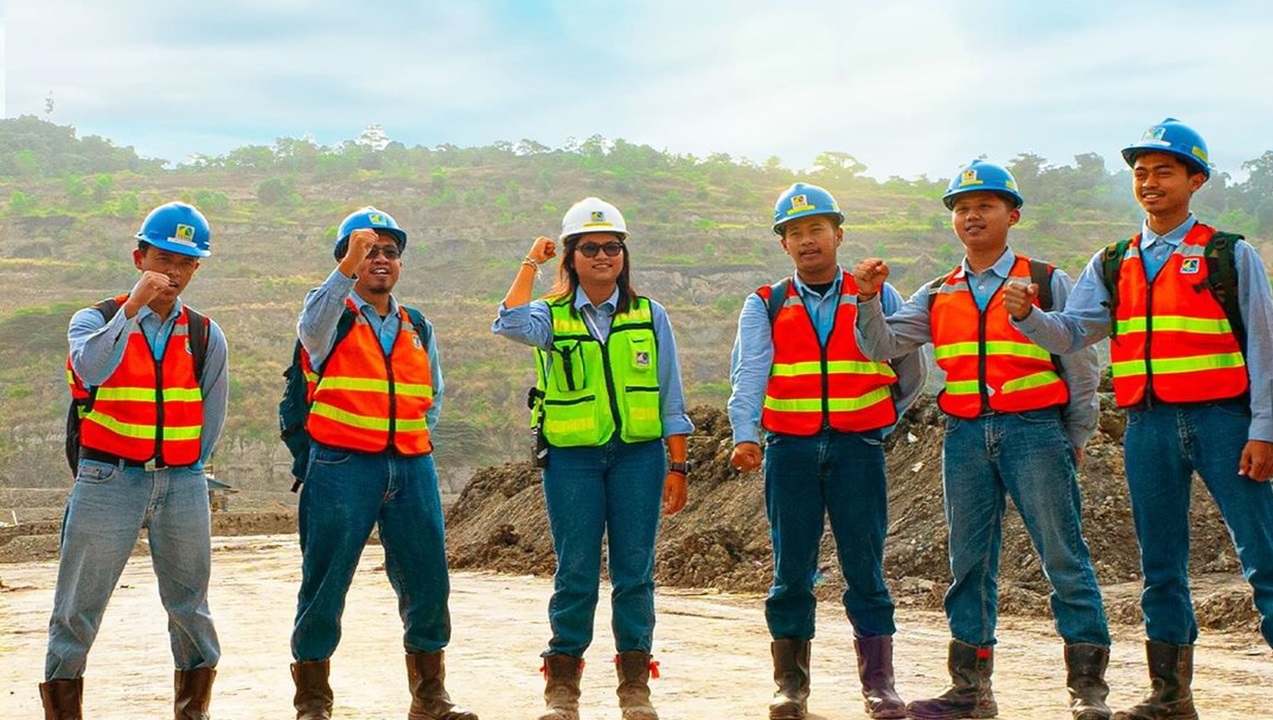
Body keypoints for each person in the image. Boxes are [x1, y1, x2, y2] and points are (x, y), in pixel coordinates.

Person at [1006, 118, 1273, 720]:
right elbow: (1076, 331)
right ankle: (1170, 696)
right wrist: (1029, 318)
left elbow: (1265, 348)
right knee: (1160, 564)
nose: (1150, 182)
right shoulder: (1113, 261)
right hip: (1147, 427)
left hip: (1225, 422)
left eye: (1164, 171)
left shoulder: (1227, 253)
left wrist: (1266, 429)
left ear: (1195, 179)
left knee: (1265, 557)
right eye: (1141, 173)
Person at [854, 160, 1113, 720]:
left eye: (985, 206)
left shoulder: (1044, 280)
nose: (971, 215)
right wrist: (869, 299)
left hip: (1034, 431)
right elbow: (883, 347)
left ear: (1011, 214)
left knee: (1064, 558)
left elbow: (1080, 362)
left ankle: (1088, 690)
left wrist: (1075, 434)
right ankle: (971, 691)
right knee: (969, 564)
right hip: (965, 435)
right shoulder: (939, 291)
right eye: (962, 208)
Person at [728, 182, 926, 720]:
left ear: (838, 235)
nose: (807, 239)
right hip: (788, 451)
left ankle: (879, 687)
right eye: (795, 232)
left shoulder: (876, 296)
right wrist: (745, 434)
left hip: (857, 450)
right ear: (784, 245)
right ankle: (791, 687)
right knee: (791, 569)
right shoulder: (767, 302)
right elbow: (749, 374)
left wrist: (878, 424)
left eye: (817, 228)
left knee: (866, 567)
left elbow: (909, 369)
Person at [493, 197, 693, 720]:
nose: (602, 255)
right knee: (576, 570)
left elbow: (671, 397)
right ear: (572, 256)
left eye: (612, 247)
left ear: (624, 255)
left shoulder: (650, 315)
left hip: (639, 458)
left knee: (635, 572)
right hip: (572, 462)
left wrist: (678, 466)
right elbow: (509, 323)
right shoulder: (550, 316)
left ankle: (634, 688)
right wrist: (529, 265)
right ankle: (562, 688)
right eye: (589, 248)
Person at [43, 201, 230, 720]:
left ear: (197, 269)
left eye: (186, 262)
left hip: (183, 482)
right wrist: (132, 311)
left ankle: (193, 711)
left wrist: (189, 467)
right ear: (138, 256)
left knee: (190, 607)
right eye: (163, 257)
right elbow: (92, 367)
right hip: (107, 479)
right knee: (78, 607)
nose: (173, 271)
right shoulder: (94, 320)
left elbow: (211, 415)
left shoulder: (204, 334)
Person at [289, 207, 476, 720]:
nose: (380, 260)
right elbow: (310, 327)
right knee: (325, 581)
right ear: (346, 260)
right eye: (367, 250)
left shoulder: (417, 324)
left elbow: (432, 395)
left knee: (427, 582)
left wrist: (408, 437)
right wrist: (344, 266)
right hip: (343, 465)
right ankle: (312, 701)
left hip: (411, 466)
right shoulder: (329, 316)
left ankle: (430, 697)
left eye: (389, 252)